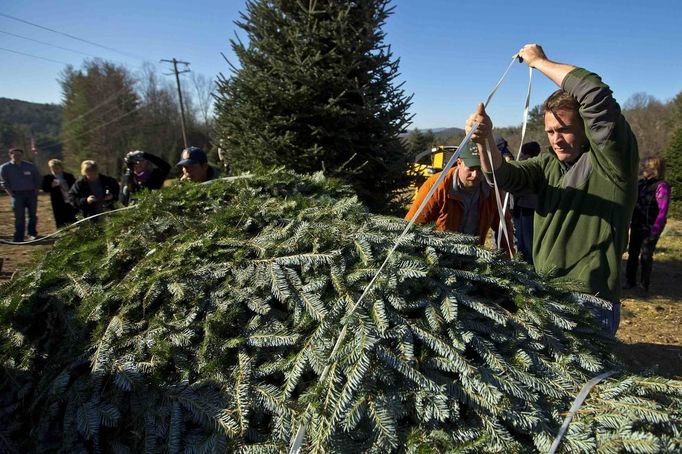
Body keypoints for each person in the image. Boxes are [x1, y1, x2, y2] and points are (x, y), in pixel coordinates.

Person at [466, 44, 638, 335]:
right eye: (550, 132)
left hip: (589, 302)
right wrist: (485, 141)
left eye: (565, 129)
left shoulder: (612, 161)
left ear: (586, 128)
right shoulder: (548, 165)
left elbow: (594, 92)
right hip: (545, 294)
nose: (557, 139)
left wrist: (539, 62)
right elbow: (502, 176)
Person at [405, 143, 514, 254]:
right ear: (459, 163)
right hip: (438, 256)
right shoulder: (436, 186)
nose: (475, 175)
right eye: (471, 169)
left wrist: (508, 261)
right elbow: (413, 224)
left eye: (480, 169)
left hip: (474, 256)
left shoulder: (492, 191)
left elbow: (504, 228)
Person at [624, 157, 671, 291]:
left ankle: (644, 284)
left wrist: (655, 230)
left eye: (647, 167)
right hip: (637, 224)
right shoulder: (640, 184)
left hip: (652, 226)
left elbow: (663, 209)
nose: (644, 169)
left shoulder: (661, 186)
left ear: (655, 170)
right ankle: (630, 281)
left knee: (646, 254)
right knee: (632, 253)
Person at [0, 148, 41, 242]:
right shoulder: (5, 168)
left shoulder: (30, 166)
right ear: (10, 155)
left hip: (31, 194)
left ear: (22, 155)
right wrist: (10, 193)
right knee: (19, 217)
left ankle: (32, 234)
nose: (17, 157)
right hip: (16, 195)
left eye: (19, 155)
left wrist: (36, 190)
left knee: (32, 215)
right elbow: (4, 182)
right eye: (14, 155)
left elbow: (37, 178)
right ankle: (19, 237)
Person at [511, 142, 541, 265]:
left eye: (523, 154)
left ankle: (529, 265)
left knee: (528, 242)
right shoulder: (530, 166)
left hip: (529, 208)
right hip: (521, 208)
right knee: (521, 240)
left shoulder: (532, 167)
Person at [41, 158, 77, 227]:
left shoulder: (68, 176)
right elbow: (45, 189)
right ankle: (63, 232)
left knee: (72, 215)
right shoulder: (48, 178)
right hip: (57, 201)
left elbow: (75, 186)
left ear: (61, 167)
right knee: (60, 217)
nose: (55, 170)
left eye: (57, 168)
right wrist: (51, 185)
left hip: (70, 199)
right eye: (53, 168)